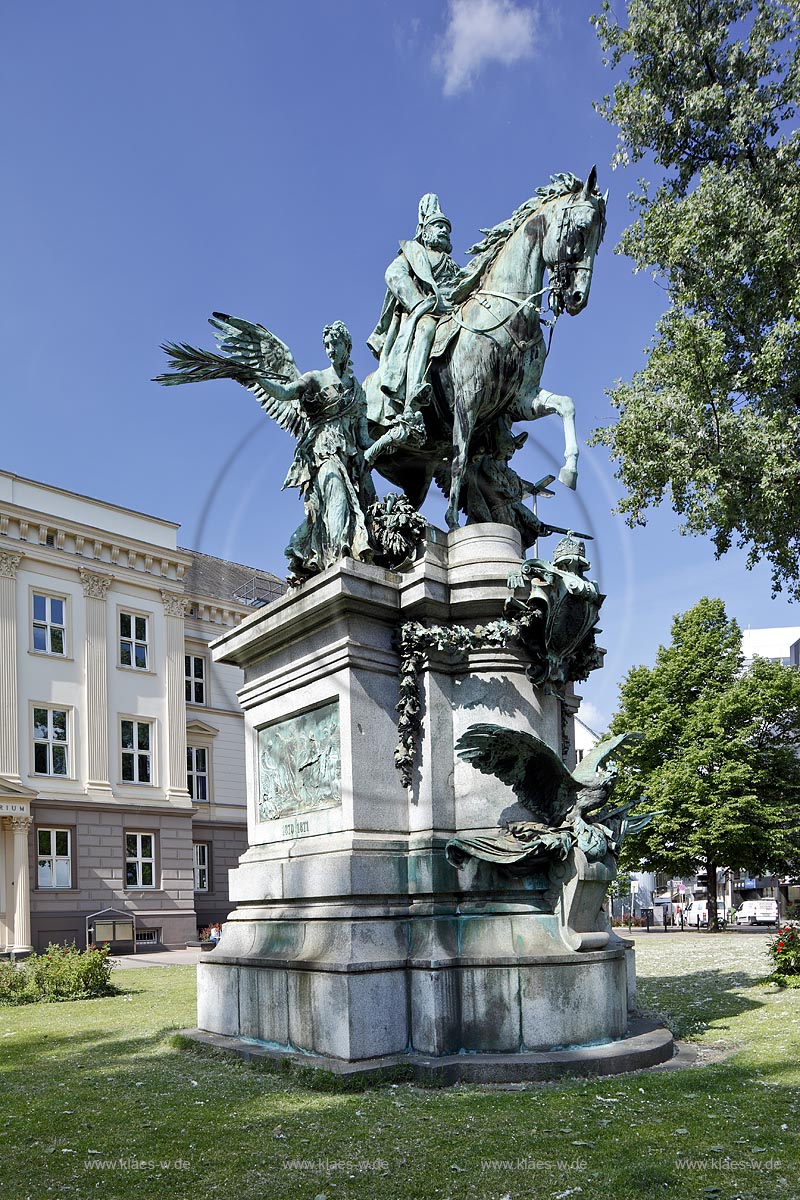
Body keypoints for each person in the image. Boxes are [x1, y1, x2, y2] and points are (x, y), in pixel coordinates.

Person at [259, 322, 377, 584]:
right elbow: (284, 392)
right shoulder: (314, 378)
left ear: (347, 347)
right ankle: (339, 558)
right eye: (326, 345)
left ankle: (324, 554)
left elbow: (364, 439)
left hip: (349, 459)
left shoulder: (357, 391)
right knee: (336, 496)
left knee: (346, 507)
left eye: (335, 344)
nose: (330, 350)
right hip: (322, 452)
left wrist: (395, 434)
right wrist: (254, 377)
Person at [367, 193, 460, 442]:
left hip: (454, 313)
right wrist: (420, 303)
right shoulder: (413, 253)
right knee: (427, 327)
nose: (443, 231)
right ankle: (412, 397)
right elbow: (394, 274)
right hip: (424, 313)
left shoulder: (454, 266)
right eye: (438, 226)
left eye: (446, 227)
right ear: (426, 231)